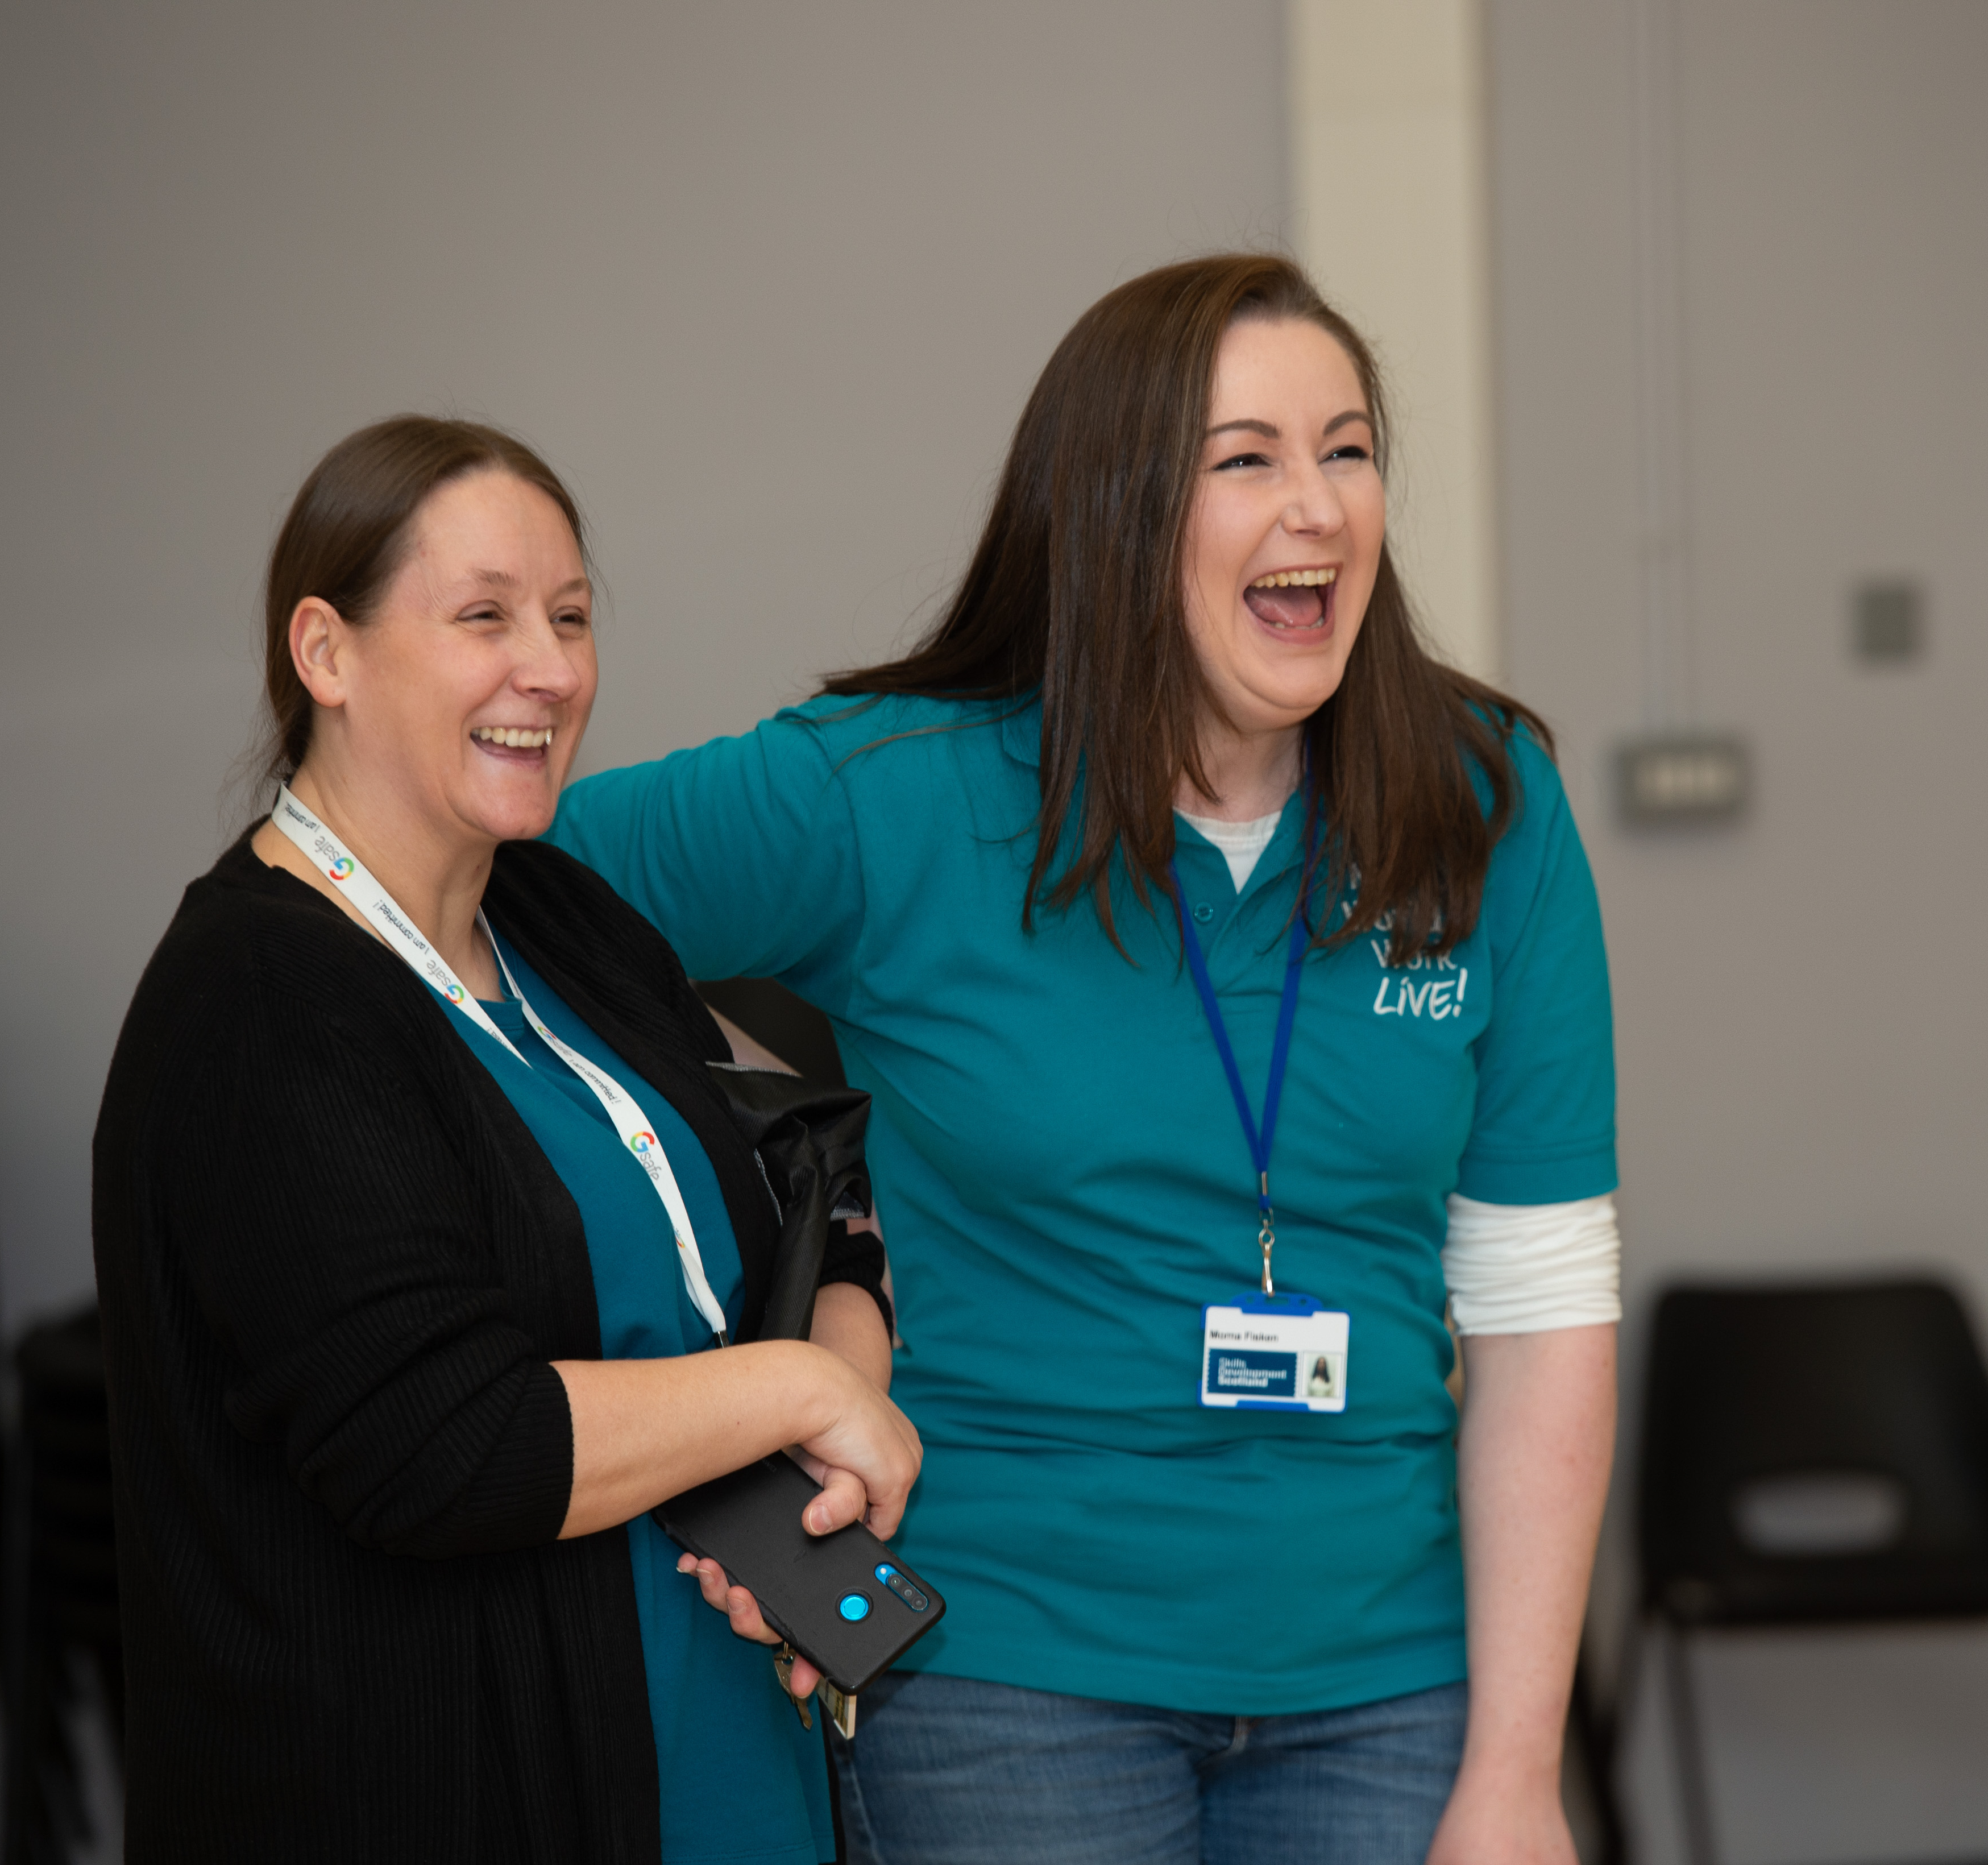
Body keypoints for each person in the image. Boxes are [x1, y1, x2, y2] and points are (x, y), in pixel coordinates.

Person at [548, 254, 1620, 1865]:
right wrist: (795, 1260)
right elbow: (487, 877)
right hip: (1007, 1678)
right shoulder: (890, 798)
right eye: (1244, 459)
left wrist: (1520, 1776)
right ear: (1116, 512)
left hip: (1389, 1687)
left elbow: (1541, 1314)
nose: (1317, 507)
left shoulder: (1484, 810)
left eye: (1346, 448)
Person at [92, 416, 921, 1863]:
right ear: (326, 651)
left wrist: (829, 1425)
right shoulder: (258, 1001)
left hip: (725, 1756)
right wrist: (787, 1390)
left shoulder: (562, 922)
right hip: (442, 1787)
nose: (549, 667)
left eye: (572, 616)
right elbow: (441, 1441)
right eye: (483, 616)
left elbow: (813, 1190)